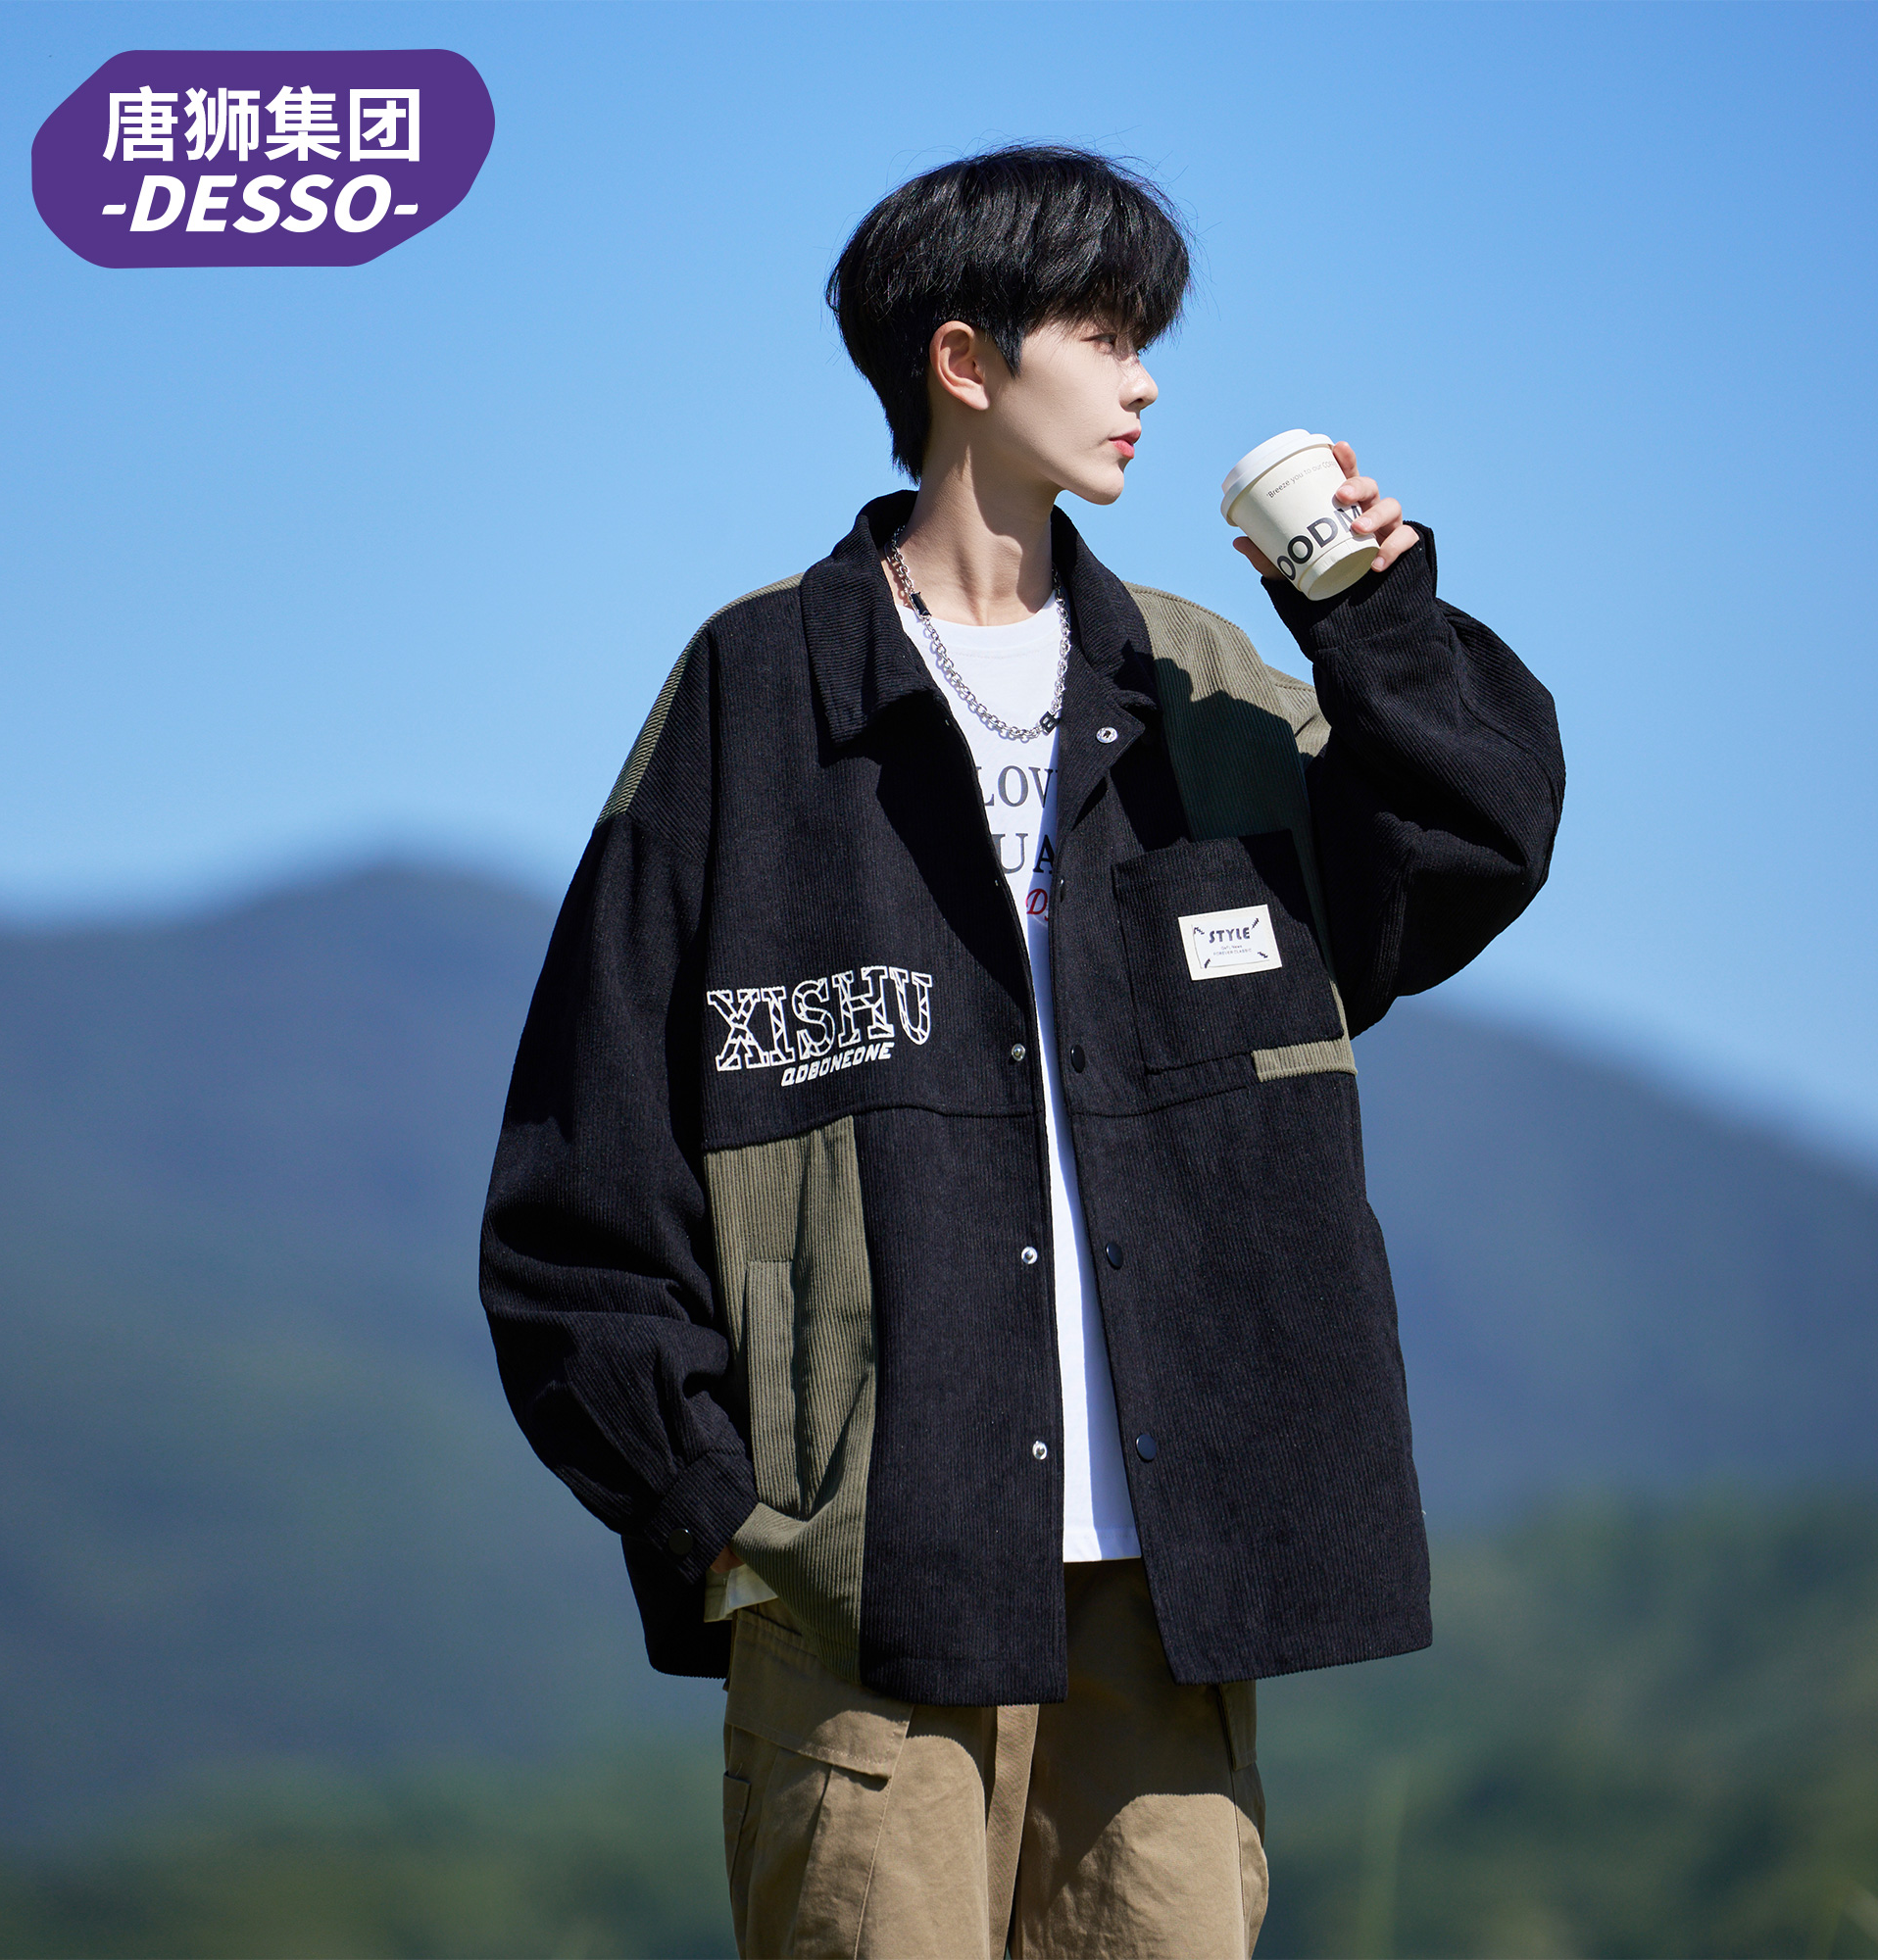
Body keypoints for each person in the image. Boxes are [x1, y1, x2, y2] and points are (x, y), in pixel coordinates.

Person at [480, 146, 1563, 1959]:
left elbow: (1467, 851)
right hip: (868, 1594)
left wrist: (1374, 620)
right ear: (965, 363)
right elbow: (584, 1178)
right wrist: (727, 1522)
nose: (1147, 383)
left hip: (1171, 1587)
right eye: (1108, 336)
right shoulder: (757, 696)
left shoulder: (1205, 688)